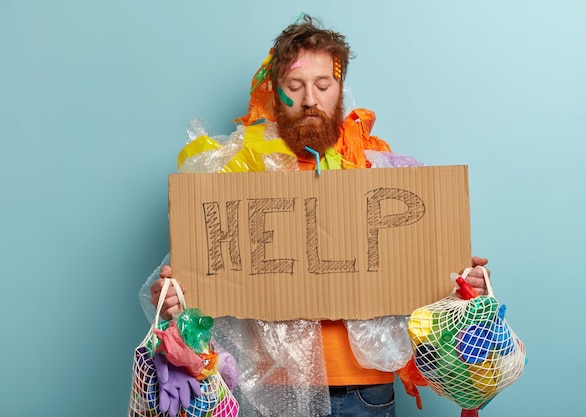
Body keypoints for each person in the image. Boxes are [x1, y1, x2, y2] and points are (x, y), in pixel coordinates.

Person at [141, 14, 490, 417]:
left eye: (323, 85)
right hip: (275, 393)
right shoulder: (238, 176)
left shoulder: (381, 173)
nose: (310, 99)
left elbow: (419, 275)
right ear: (276, 92)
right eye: (295, 86)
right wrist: (176, 298)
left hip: (365, 391)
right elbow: (211, 278)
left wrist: (462, 285)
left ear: (340, 88)